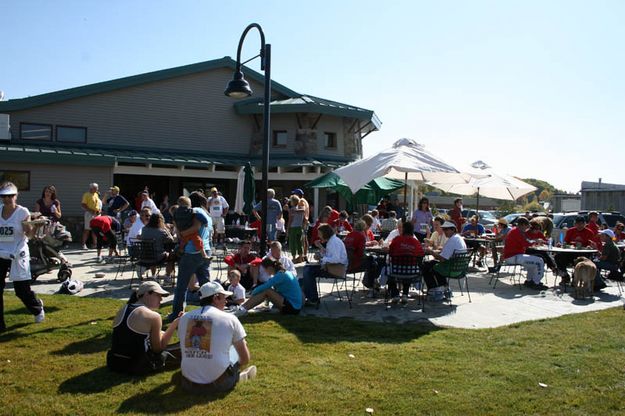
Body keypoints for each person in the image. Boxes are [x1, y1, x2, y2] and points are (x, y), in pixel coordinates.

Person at [178, 281, 256, 393]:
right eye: (224, 297)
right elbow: (245, 359)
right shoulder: (230, 319)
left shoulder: (185, 318)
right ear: (216, 297)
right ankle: (237, 376)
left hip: (188, 384)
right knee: (237, 346)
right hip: (219, 385)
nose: (226, 301)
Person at [107, 281, 180, 375]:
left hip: (114, 362)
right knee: (181, 351)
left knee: (161, 335)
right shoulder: (153, 316)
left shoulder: (124, 308)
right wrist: (175, 323)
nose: (161, 299)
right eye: (158, 295)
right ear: (146, 294)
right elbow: (158, 349)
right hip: (136, 365)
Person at [0, 182, 45, 332]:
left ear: (16, 196)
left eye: (10, 196)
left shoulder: (22, 212)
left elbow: (29, 235)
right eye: (4, 196)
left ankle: (37, 308)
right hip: (1, 252)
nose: (7, 199)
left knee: (21, 290)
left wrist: (35, 227)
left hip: (18, 252)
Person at [167, 191, 213, 323]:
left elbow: (195, 227)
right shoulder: (208, 216)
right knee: (206, 284)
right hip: (205, 250)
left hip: (191, 252)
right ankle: (210, 311)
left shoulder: (192, 212)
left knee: (181, 285)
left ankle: (177, 313)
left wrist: (181, 233)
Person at [235, 257, 303, 316]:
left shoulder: (280, 275)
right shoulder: (284, 273)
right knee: (267, 291)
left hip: (293, 308)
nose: (265, 271)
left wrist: (252, 293)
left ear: (270, 267)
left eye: (265, 269)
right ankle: (243, 308)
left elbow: (265, 286)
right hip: (294, 306)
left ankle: (243, 308)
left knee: (267, 290)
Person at [301, 224, 348, 305]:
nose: (319, 236)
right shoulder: (331, 241)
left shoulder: (334, 242)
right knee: (304, 276)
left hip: (336, 269)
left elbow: (335, 259)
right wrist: (320, 251)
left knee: (308, 271)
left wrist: (322, 259)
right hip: (332, 267)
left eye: (320, 234)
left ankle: (313, 299)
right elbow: (329, 255)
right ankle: (306, 297)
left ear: (325, 233)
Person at [422, 221, 468, 300]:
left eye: (446, 229)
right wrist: (438, 250)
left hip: (451, 269)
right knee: (432, 263)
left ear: (453, 230)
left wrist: (431, 252)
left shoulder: (452, 240)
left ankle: (434, 290)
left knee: (426, 265)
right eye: (444, 229)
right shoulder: (458, 238)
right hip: (460, 269)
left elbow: (442, 259)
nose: (445, 231)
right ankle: (445, 287)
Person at [502, 217, 547, 290]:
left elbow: (526, 242)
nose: (528, 228)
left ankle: (529, 281)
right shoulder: (516, 232)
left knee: (532, 263)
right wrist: (536, 241)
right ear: (522, 225)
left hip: (512, 255)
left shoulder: (516, 231)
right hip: (513, 256)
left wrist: (534, 241)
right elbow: (526, 243)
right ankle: (536, 282)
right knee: (539, 261)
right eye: (527, 226)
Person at [388, 221, 425, 304]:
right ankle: (405, 294)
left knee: (389, 270)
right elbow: (421, 255)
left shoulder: (396, 239)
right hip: (412, 272)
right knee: (408, 268)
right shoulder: (416, 242)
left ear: (403, 230)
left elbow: (390, 252)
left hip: (396, 271)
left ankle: (395, 294)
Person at [554, 216, 596, 283]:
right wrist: (561, 244)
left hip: (583, 254)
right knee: (558, 256)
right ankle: (565, 275)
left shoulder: (589, 232)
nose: (579, 225)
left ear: (585, 224)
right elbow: (565, 242)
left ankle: (576, 277)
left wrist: (588, 246)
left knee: (581, 260)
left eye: (581, 224)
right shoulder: (570, 231)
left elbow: (592, 244)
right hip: (571, 252)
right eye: (577, 224)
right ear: (575, 224)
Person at [140, 212, 175, 281]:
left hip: (144, 256)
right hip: (158, 257)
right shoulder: (161, 231)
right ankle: (167, 276)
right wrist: (165, 228)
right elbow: (171, 240)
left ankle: (153, 275)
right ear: (160, 221)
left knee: (152, 252)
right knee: (172, 255)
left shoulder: (144, 229)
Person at [291, 189, 311, 261]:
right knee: (304, 239)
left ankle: (302, 256)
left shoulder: (301, 201)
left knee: (302, 240)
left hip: (303, 223)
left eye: (294, 194)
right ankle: (303, 255)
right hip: (305, 222)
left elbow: (303, 210)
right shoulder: (304, 200)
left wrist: (293, 210)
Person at [81, 182, 101, 249]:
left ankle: (95, 244)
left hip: (96, 214)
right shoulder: (86, 194)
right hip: (89, 214)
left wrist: (99, 210)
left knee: (95, 230)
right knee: (87, 229)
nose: (97, 189)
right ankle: (83, 244)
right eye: (96, 188)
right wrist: (91, 210)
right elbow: (83, 205)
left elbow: (97, 204)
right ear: (92, 188)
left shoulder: (96, 194)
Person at [287, 194, 306, 263]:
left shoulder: (292, 209)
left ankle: (294, 258)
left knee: (292, 243)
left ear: (293, 202)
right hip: (299, 227)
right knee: (299, 243)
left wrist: (287, 229)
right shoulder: (301, 208)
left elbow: (290, 220)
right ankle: (300, 257)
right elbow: (303, 212)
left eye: (291, 201)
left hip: (293, 228)